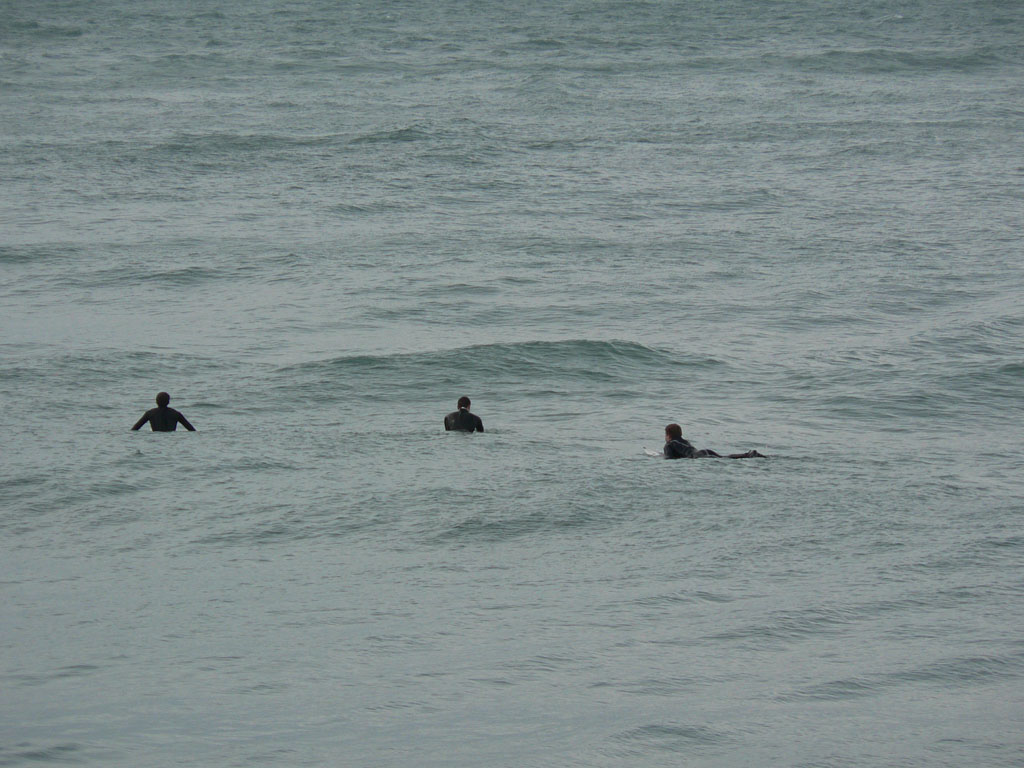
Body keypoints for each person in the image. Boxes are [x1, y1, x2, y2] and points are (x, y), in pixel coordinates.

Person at [663, 423, 763, 459]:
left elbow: (669, 458)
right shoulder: (684, 441)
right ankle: (748, 454)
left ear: (668, 435)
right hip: (704, 451)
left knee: (725, 459)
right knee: (724, 457)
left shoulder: (669, 445)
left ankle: (749, 455)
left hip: (698, 456)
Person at [132, 392, 196, 432]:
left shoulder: (150, 413)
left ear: (156, 402)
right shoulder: (176, 414)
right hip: (171, 440)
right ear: (168, 402)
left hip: (155, 439)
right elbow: (192, 430)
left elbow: (134, 429)